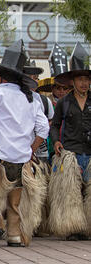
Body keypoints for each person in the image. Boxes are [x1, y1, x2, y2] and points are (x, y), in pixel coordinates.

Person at [0, 39, 50, 247]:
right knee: (15, 198)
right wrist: (31, 149)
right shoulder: (32, 97)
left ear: (2, 75)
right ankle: (14, 234)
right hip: (22, 158)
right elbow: (43, 129)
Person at [49, 42, 91, 241]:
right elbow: (54, 125)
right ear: (73, 81)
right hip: (71, 151)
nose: (83, 83)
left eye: (86, 79)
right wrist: (56, 142)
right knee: (71, 193)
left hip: (90, 151)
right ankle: (74, 227)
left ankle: (88, 228)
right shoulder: (65, 102)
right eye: (80, 79)